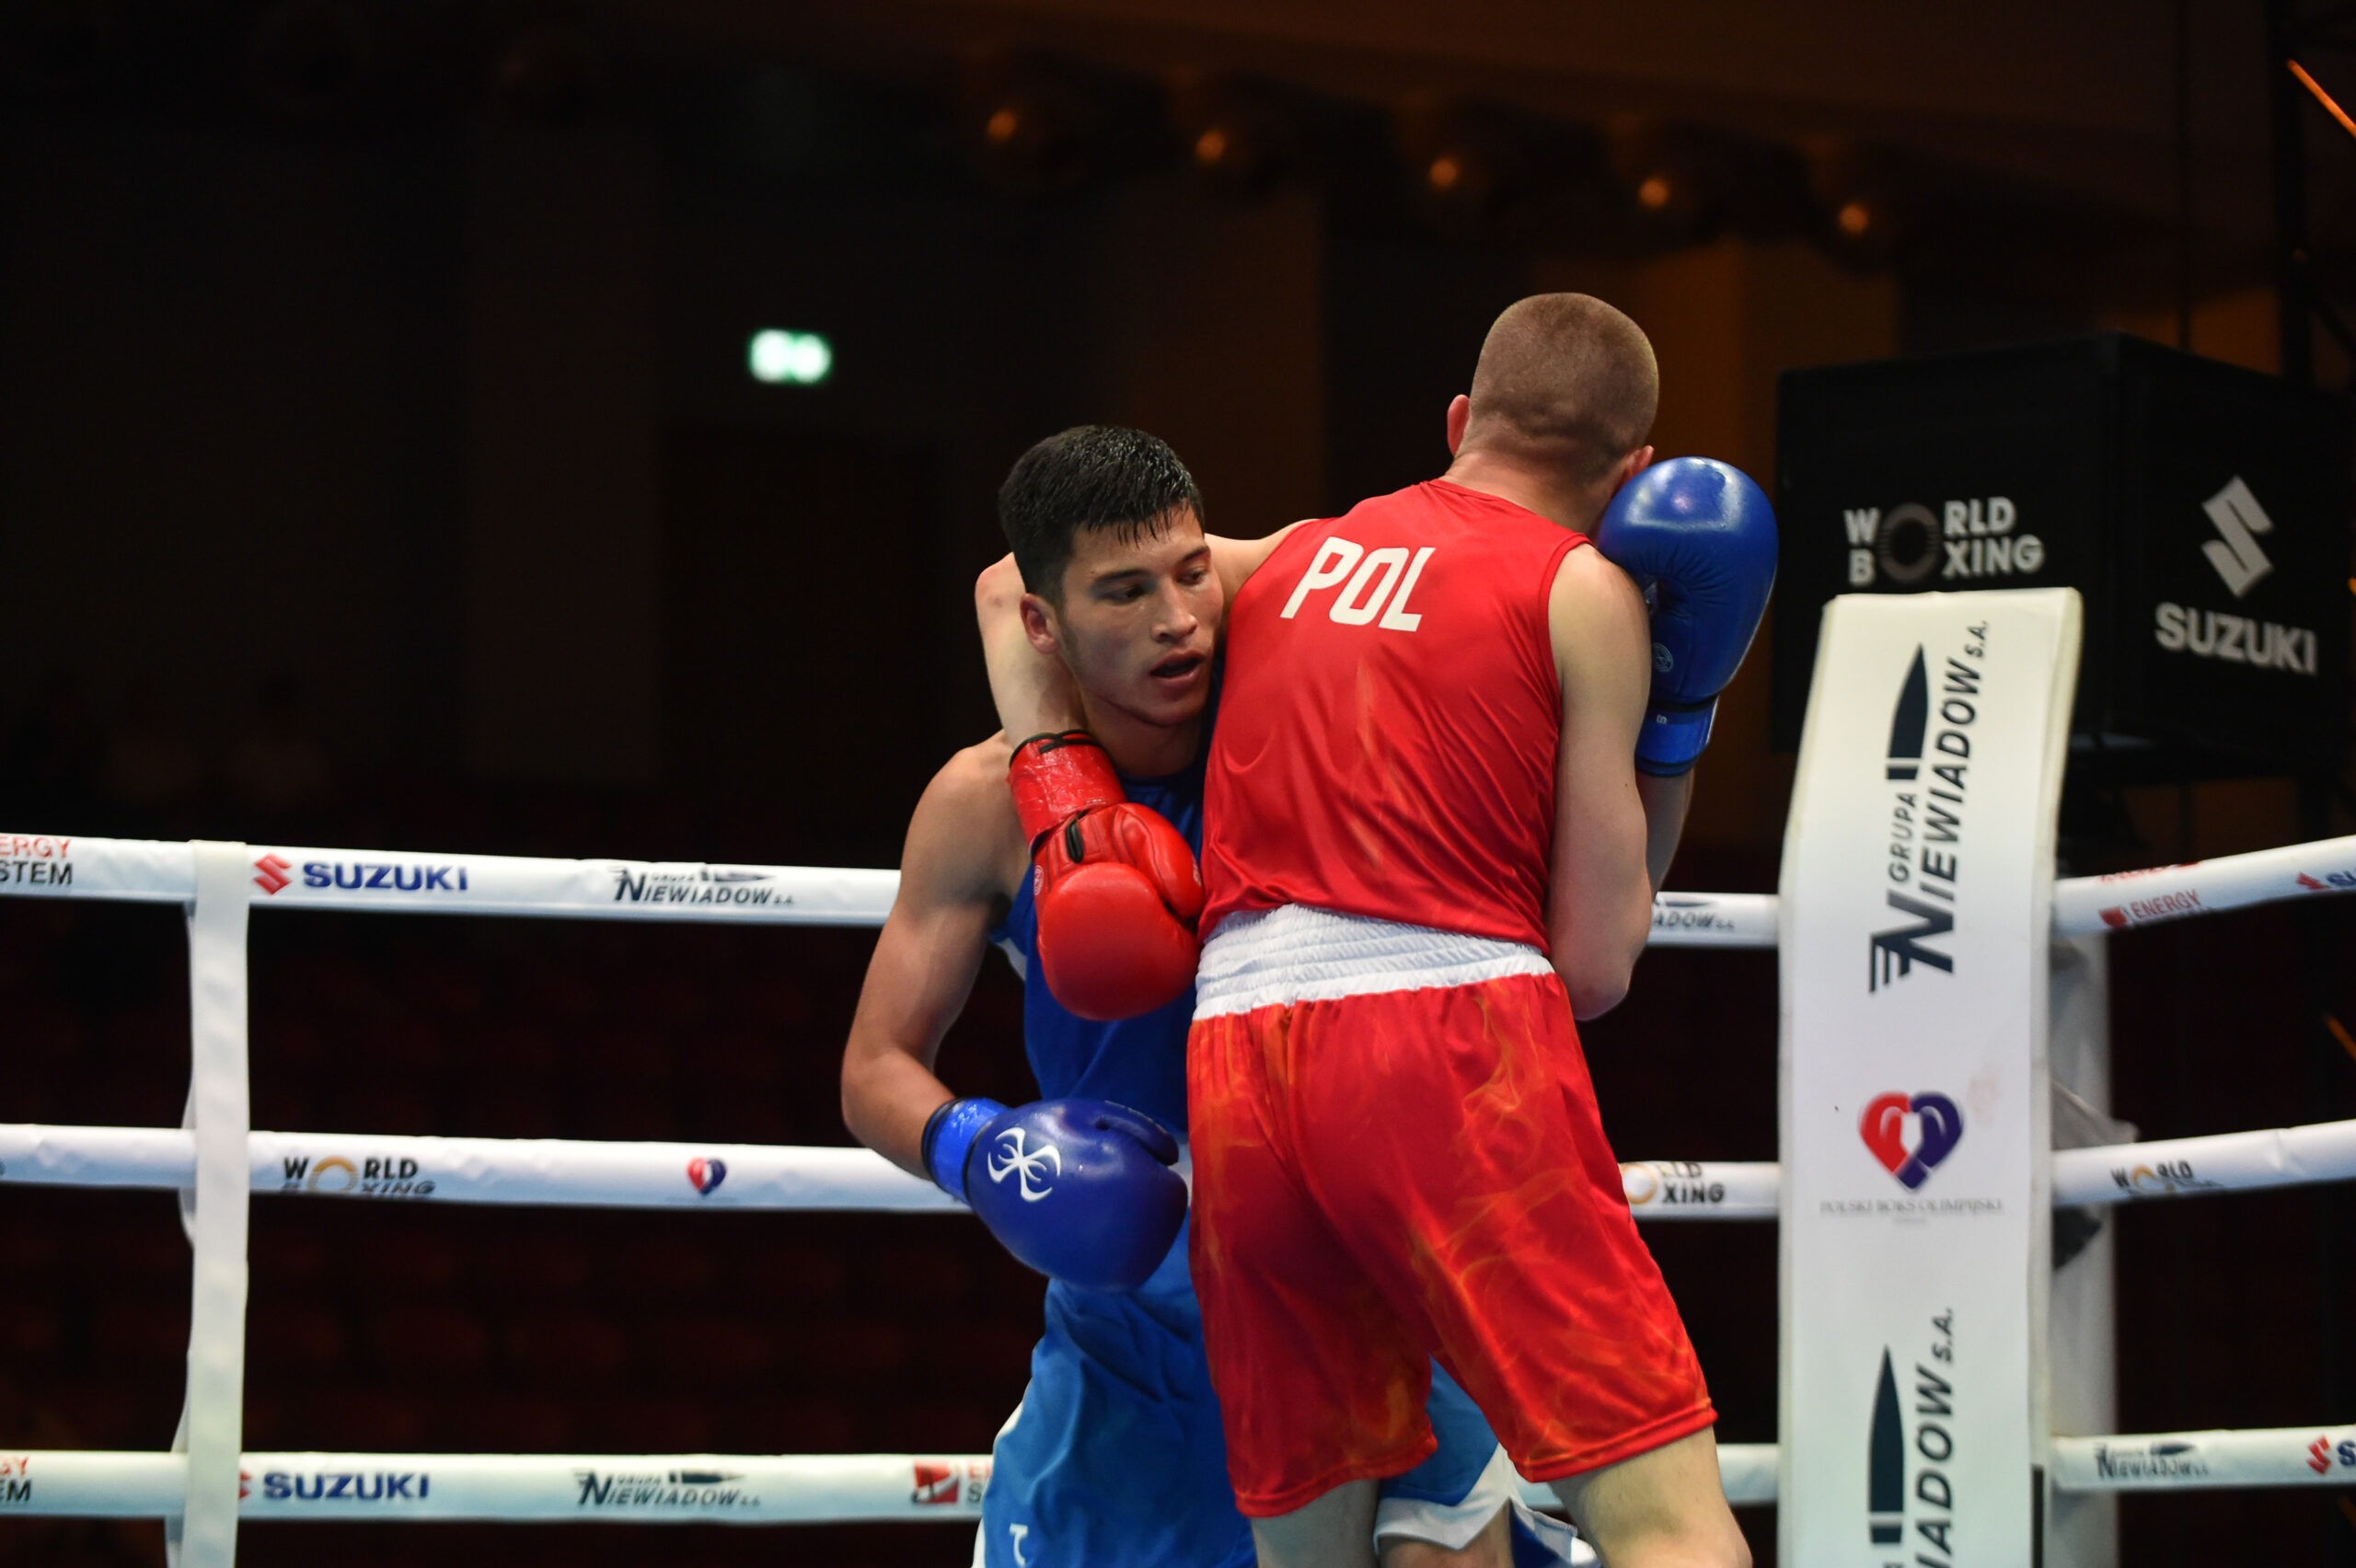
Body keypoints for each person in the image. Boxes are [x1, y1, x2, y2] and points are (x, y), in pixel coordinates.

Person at [979, 296, 1773, 1568]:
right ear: (1633, 472)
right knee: (1666, 1521)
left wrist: (1067, 807)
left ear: (1458, 422)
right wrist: (1680, 719)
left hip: (1241, 1060)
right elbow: (1595, 963)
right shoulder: (1583, 589)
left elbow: (1007, 584)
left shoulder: (1290, 556)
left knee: (1310, 1546)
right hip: (1450, 1042)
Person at [841, 425, 1581, 1568]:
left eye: (1192, 574)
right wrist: (981, 1150)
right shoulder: (982, 804)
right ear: (1044, 624)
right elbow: (873, 1067)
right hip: (1133, 1334)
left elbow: (1423, 565)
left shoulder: (1299, 725)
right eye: (1124, 593)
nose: (1178, 619)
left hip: (1361, 1286)